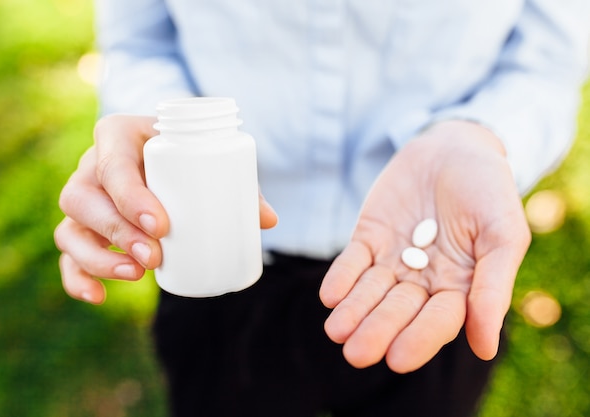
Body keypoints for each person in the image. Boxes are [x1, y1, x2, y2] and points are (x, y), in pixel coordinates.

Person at [54, 1, 590, 416]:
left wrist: (484, 138)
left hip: (440, 273)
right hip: (222, 269)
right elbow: (140, 44)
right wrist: (165, 141)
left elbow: (546, 62)